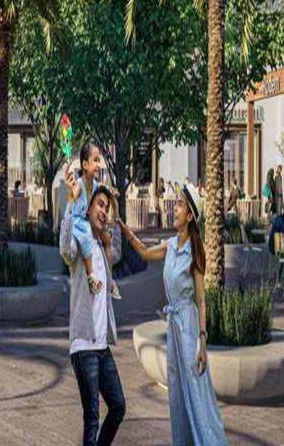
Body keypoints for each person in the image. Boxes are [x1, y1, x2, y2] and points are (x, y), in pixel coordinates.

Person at [118, 184, 227, 445]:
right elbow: (144, 252)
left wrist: (203, 341)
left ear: (190, 215)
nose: (174, 208)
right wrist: (123, 227)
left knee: (195, 390)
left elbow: (201, 301)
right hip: (174, 327)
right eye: (176, 203)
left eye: (179, 204)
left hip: (189, 325)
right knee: (177, 391)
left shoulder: (195, 252)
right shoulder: (169, 245)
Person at [62, 183, 125, 446]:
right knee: (91, 419)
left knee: (118, 406)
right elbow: (66, 249)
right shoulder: (79, 247)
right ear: (87, 211)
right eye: (99, 205)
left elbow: (118, 250)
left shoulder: (102, 248)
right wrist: (70, 203)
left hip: (101, 347)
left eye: (106, 207)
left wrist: (118, 213)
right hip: (84, 346)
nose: (104, 211)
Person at [63, 143, 121, 300]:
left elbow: (105, 189)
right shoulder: (80, 185)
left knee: (108, 239)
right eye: (95, 160)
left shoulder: (95, 185)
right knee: (88, 236)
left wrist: (112, 192)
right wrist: (70, 190)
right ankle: (91, 276)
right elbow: (73, 195)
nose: (99, 165)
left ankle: (110, 279)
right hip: (78, 223)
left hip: (87, 222)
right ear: (85, 164)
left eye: (99, 160)